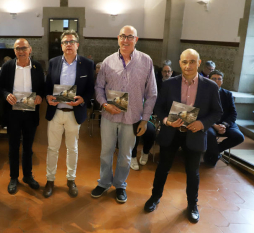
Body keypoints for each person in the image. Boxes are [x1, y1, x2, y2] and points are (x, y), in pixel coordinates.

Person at [144, 49, 222, 223]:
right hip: (171, 132)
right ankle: (154, 197)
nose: (188, 65)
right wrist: (166, 120)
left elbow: (217, 112)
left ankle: (192, 205)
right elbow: (158, 108)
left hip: (194, 134)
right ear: (179, 63)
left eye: (192, 61)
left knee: (193, 172)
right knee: (162, 168)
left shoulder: (209, 86)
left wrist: (202, 124)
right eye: (185, 62)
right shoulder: (169, 84)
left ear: (199, 63)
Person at [91, 25, 157, 203]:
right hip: (109, 116)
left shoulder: (146, 61)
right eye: (122, 36)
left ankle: (120, 185)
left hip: (132, 118)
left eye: (130, 37)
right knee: (106, 151)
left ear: (136, 40)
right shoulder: (108, 61)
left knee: (126, 154)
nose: (126, 40)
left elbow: (152, 93)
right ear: (118, 39)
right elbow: (98, 87)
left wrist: (145, 120)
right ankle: (104, 182)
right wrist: (104, 104)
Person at [44, 30, 95, 198]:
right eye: (65, 42)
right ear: (61, 46)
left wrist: (83, 99)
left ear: (77, 45)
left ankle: (71, 179)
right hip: (56, 112)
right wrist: (47, 97)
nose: (69, 45)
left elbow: (90, 89)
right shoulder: (53, 63)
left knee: (72, 148)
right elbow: (47, 86)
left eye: (72, 41)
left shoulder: (87, 64)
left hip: (74, 113)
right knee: (52, 148)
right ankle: (50, 180)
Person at [0, 38, 45, 194]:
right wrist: (6, 95)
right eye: (18, 48)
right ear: (14, 51)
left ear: (30, 49)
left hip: (31, 114)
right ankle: (13, 177)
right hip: (13, 114)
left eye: (24, 48)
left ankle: (28, 176)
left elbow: (43, 88)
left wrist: (40, 97)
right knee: (13, 147)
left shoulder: (37, 67)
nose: (21, 51)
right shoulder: (7, 67)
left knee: (28, 148)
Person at [204, 70, 244, 166]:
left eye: (219, 79)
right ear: (209, 80)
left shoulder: (228, 94)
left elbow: (233, 113)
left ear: (222, 81)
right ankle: (213, 156)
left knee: (239, 137)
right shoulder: (203, 94)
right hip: (210, 123)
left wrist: (224, 125)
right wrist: (214, 125)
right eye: (213, 78)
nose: (216, 81)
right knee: (210, 135)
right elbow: (202, 113)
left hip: (226, 123)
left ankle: (213, 152)